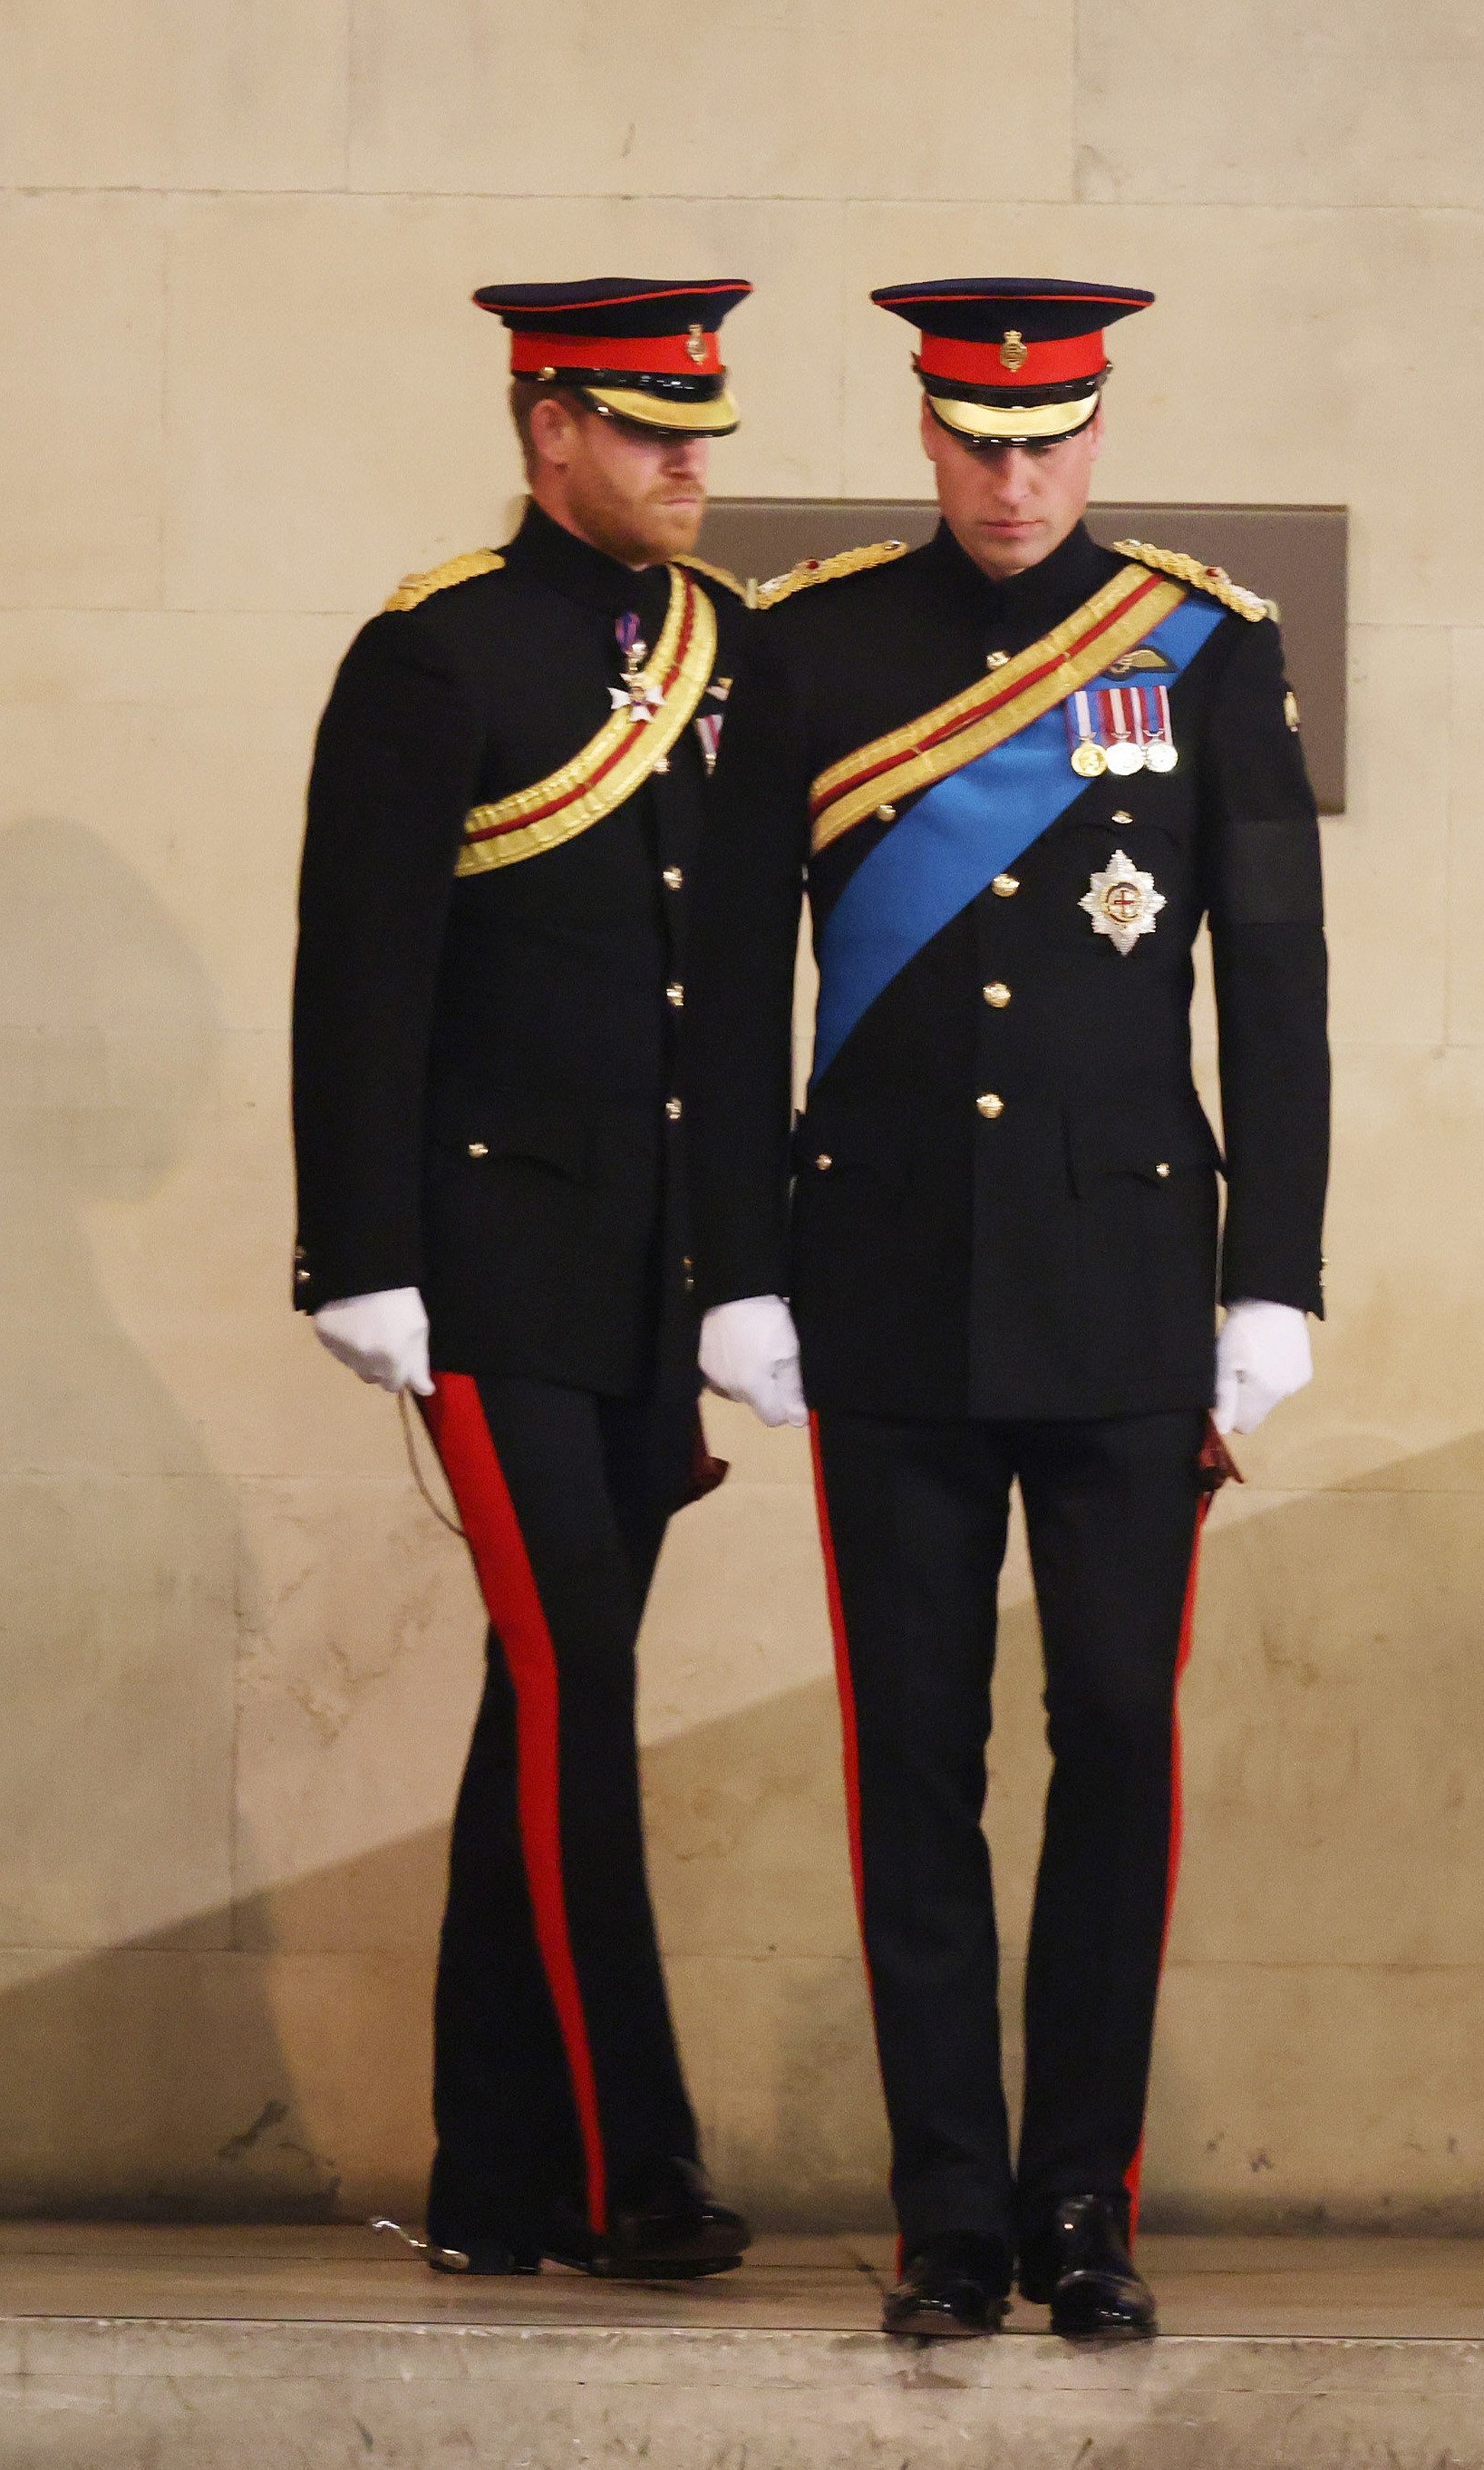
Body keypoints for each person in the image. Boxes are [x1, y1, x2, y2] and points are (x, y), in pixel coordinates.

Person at [685, 277, 1329, 2339]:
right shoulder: (810, 648)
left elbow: (1278, 990)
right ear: (927, 431)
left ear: (1100, 431)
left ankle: (1085, 2211)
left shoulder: (1208, 647)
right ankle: (953, 2214)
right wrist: (742, 1268)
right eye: (977, 439)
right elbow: (722, 991)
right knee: (915, 1763)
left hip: (1131, 1296)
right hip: (881, 1286)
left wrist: (1277, 1278)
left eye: (1047, 440)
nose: (1012, 476)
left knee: (1120, 1747)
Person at [291, 277, 754, 2280]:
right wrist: (358, 1252)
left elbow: (733, 990)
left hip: (653, 1289)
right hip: (483, 1268)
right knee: (576, 1681)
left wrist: (750, 1268)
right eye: (647, 425)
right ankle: (634, 2158)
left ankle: (500, 2176)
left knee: (539, 1708)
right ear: (543, 422)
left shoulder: (730, 651)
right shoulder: (433, 655)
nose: (686, 462)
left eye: (702, 429)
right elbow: (360, 969)